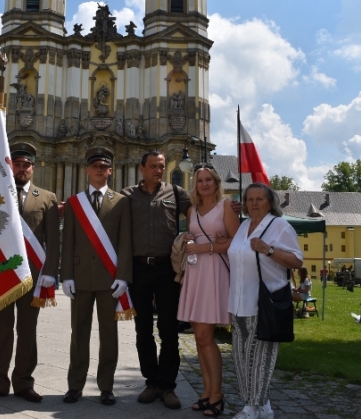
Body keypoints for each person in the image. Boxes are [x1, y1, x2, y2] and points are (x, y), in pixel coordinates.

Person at [0, 142, 60, 403]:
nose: (22, 169)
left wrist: (50, 272)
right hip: (1, 273)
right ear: (11, 167)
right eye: (17, 164)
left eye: (26, 165)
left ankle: (23, 381)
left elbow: (53, 241)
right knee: (1, 330)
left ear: (33, 168)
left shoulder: (47, 198)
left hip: (32, 275)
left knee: (27, 330)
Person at [61, 146, 132, 406]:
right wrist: (66, 276)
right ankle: (75, 385)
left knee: (109, 334)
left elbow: (125, 242)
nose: (99, 170)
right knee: (78, 333)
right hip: (80, 278)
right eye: (95, 166)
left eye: (104, 167)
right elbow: (68, 240)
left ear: (110, 171)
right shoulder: (74, 202)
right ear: (87, 170)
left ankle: (106, 386)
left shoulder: (121, 201)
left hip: (109, 279)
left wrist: (123, 276)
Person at [121, 150, 191, 409]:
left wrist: (230, 207)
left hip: (167, 269)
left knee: (169, 329)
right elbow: (105, 215)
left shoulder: (176, 193)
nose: (158, 170)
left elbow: (201, 209)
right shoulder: (127, 196)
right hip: (139, 269)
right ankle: (151, 382)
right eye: (153, 166)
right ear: (142, 168)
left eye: (161, 166)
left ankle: (168, 386)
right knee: (143, 330)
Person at [227, 183, 303, 419]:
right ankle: (263, 406)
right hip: (237, 303)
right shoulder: (244, 226)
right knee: (241, 358)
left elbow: (296, 260)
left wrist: (268, 250)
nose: (254, 203)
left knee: (260, 358)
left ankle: (251, 408)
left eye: (259, 199)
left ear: (270, 202)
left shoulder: (279, 226)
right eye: (250, 199)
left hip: (264, 302)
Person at [178, 166, 239, 417]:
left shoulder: (226, 206)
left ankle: (217, 395)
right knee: (199, 338)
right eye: (199, 181)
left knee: (205, 336)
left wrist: (206, 248)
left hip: (214, 272)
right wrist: (188, 239)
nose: (204, 184)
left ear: (216, 183)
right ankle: (206, 392)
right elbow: (195, 235)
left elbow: (237, 242)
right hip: (195, 273)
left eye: (208, 180)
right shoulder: (192, 210)